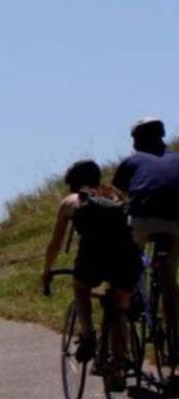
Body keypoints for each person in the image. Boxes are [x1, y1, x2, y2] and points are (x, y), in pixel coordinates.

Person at [41, 160, 141, 384]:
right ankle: (118, 366)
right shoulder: (115, 195)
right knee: (119, 307)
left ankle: (88, 334)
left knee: (81, 288)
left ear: (73, 182)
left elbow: (55, 244)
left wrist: (46, 270)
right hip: (126, 255)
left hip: (93, 255)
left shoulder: (71, 201)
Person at [114, 117, 179, 346]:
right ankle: (174, 339)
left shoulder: (132, 161)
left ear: (137, 140)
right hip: (176, 224)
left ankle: (135, 297)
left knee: (130, 260)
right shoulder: (177, 159)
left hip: (142, 220)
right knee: (169, 281)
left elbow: (121, 192)